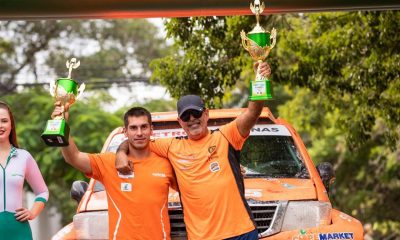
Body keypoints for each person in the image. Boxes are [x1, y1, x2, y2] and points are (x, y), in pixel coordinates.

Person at [116, 62, 271, 240]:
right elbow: (137, 141)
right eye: (185, 116)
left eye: (196, 114)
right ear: (180, 121)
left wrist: (260, 79)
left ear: (206, 114)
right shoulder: (172, 146)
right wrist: (121, 153)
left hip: (241, 232)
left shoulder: (226, 136)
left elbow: (253, 111)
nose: (192, 120)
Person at [51, 104, 177, 240]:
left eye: (144, 127)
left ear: (151, 130)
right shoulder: (109, 163)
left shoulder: (166, 164)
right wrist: (61, 125)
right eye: (133, 128)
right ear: (125, 131)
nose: (139, 133)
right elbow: (73, 157)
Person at [0, 101, 49, 240]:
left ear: (11, 125)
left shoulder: (24, 157)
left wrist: (33, 212)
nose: (0, 126)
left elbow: (43, 191)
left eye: (4, 121)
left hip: (19, 232)